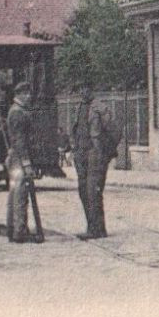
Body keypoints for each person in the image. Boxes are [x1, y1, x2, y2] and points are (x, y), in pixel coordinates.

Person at [69, 96, 121, 240]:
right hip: (81, 154)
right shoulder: (78, 108)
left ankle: (98, 229)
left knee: (93, 192)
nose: (83, 91)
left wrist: (106, 152)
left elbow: (115, 131)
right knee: (83, 191)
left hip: (94, 155)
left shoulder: (101, 108)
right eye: (80, 88)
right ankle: (91, 227)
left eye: (86, 87)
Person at [4, 82, 41, 242]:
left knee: (15, 194)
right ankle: (19, 231)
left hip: (16, 157)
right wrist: (26, 162)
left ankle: (14, 229)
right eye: (25, 94)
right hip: (19, 158)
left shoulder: (16, 110)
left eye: (29, 93)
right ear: (18, 94)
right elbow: (20, 140)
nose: (28, 96)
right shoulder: (18, 113)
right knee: (20, 194)